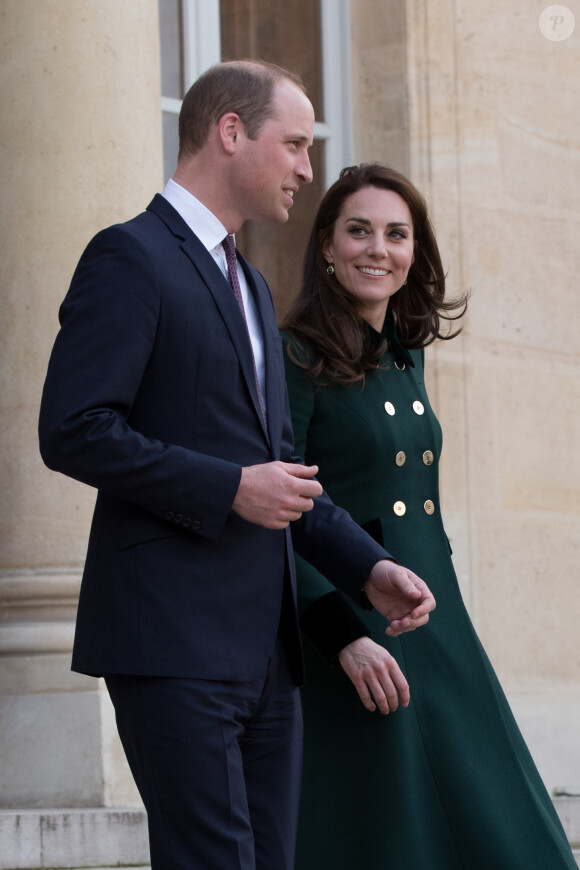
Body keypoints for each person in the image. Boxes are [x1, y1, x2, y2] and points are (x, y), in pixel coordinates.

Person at [38, 67, 436, 870]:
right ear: (229, 131)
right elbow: (73, 430)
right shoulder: (129, 256)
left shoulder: (253, 287)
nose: (305, 168)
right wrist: (227, 488)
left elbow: (285, 471)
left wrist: (369, 568)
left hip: (267, 652)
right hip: (170, 641)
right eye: (293, 143)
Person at [282, 162, 577, 870]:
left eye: (396, 233)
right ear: (325, 245)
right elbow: (283, 512)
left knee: (500, 818)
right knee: (392, 831)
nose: (376, 249)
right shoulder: (292, 357)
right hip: (354, 633)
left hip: (436, 621)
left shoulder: (405, 354)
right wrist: (341, 635)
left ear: (415, 252)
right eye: (358, 231)